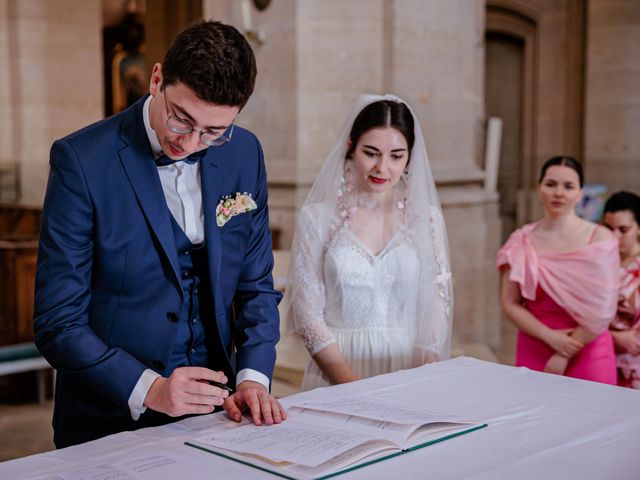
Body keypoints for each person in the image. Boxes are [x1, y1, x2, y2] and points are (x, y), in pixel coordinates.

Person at [34, 20, 285, 448]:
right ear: (156, 79)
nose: (190, 143)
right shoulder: (82, 161)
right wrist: (149, 389)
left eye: (213, 132)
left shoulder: (245, 152)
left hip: (217, 414)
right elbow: (58, 322)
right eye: (181, 119)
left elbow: (256, 287)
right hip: (108, 418)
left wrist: (252, 378)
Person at [281, 94, 453, 390]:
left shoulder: (426, 219)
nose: (382, 168)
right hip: (337, 369)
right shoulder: (318, 218)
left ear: (410, 156)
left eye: (396, 156)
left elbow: (438, 301)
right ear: (351, 148)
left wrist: (420, 376)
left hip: (409, 369)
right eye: (371, 153)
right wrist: (352, 386)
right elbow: (306, 312)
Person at [497, 156, 619, 384]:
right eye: (551, 184)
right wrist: (550, 338)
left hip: (589, 347)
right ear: (539, 188)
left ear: (580, 192)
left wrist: (565, 351)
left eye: (568, 186)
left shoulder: (600, 238)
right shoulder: (520, 240)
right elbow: (509, 302)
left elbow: (603, 310)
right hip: (535, 342)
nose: (559, 193)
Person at [603, 191, 640, 388]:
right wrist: (614, 338)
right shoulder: (596, 264)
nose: (615, 236)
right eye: (609, 228)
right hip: (601, 359)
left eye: (623, 229)